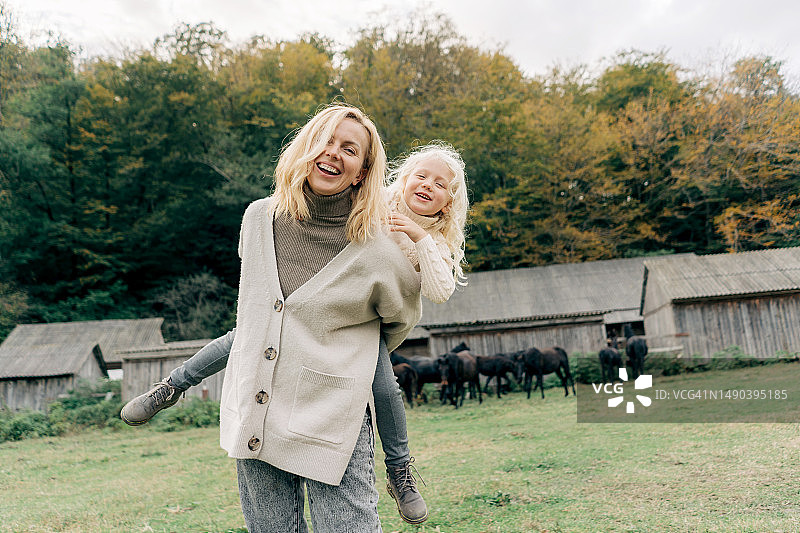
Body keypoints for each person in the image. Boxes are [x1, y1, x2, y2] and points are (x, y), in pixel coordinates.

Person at [122, 104, 422, 533]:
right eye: (325, 140)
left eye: (349, 149)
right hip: (258, 405)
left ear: (361, 172)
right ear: (305, 148)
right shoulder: (258, 219)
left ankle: (401, 469)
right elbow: (257, 312)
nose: (333, 153)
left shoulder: (379, 248)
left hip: (331, 414)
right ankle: (170, 387)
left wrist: (338, 351)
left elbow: (398, 321)